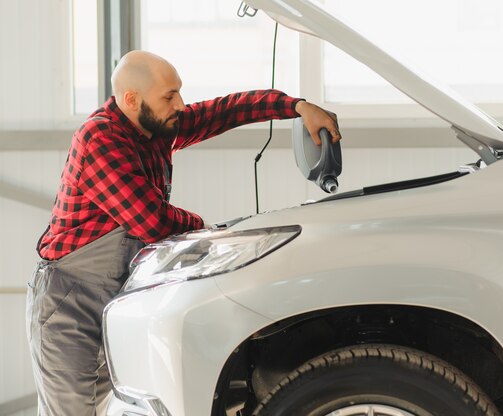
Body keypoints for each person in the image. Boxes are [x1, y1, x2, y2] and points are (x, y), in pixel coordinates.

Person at [25, 50, 341, 416]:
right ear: (131, 99)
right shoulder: (100, 138)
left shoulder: (157, 126)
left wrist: (296, 106)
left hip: (112, 294)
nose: (180, 103)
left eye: (179, 92)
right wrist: (207, 228)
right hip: (69, 299)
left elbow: (228, 110)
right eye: (169, 96)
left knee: (102, 407)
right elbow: (151, 222)